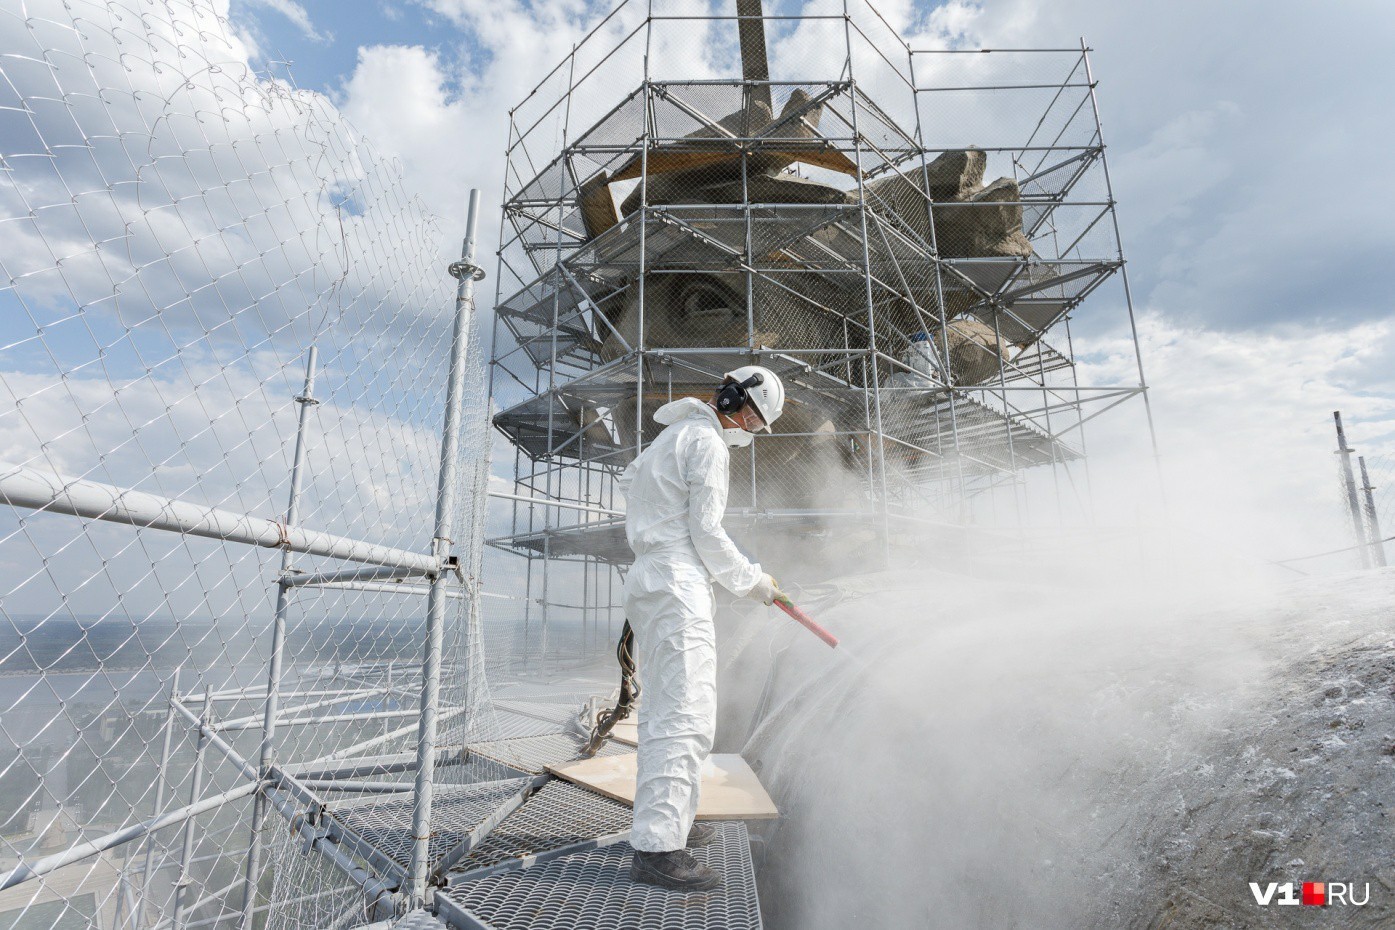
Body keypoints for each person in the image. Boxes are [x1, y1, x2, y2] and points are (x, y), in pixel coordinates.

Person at [620, 365, 786, 891]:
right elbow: (707, 533)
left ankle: (674, 823)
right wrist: (756, 582)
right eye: (756, 426)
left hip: (653, 578)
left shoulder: (671, 437)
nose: (751, 435)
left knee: (670, 709)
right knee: (685, 715)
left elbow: (644, 498)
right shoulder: (708, 444)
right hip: (676, 581)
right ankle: (658, 848)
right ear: (742, 408)